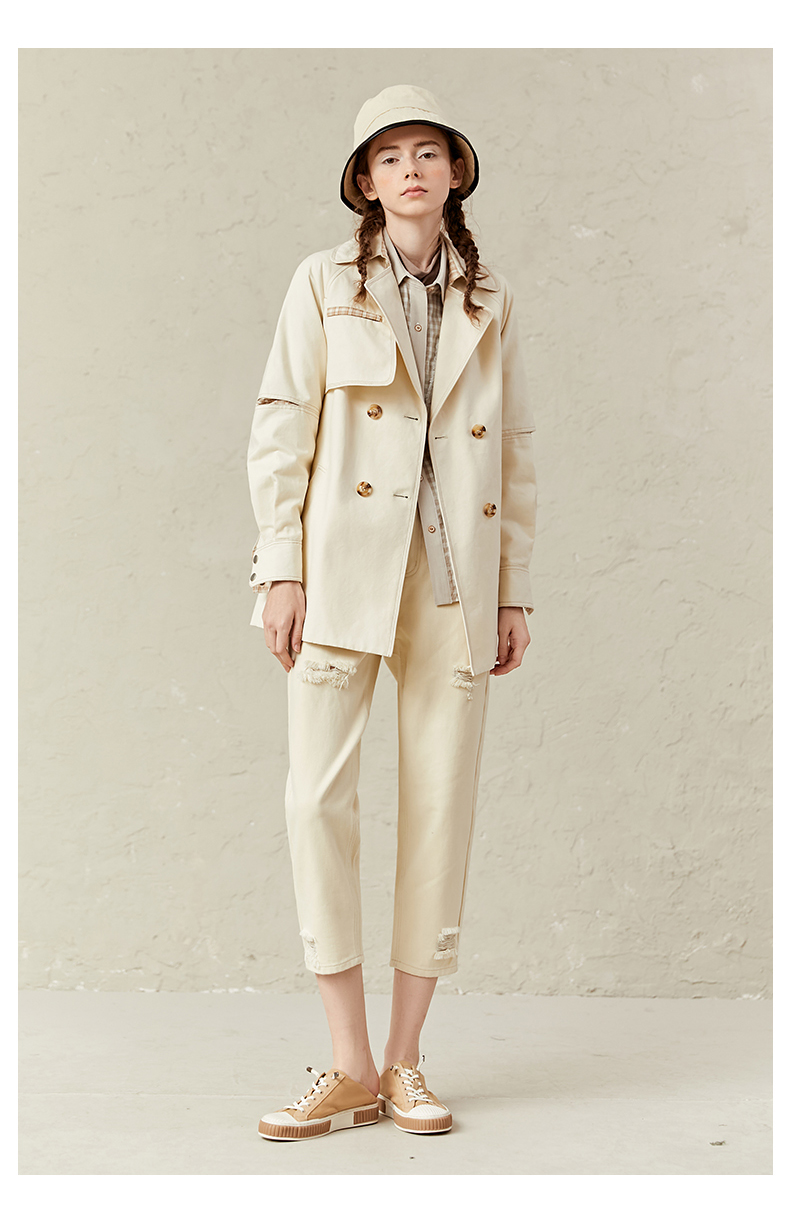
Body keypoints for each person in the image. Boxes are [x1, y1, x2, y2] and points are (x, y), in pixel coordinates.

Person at [247, 85, 537, 1141]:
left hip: (454, 586)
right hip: (339, 577)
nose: (410, 170)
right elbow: (280, 426)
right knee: (315, 803)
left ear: (455, 173)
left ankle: (406, 1061)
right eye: (389, 157)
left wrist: (511, 589)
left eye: (427, 152)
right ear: (365, 183)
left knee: (438, 807)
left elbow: (515, 450)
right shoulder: (322, 283)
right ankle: (348, 1063)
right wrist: (280, 570)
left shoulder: (489, 298)